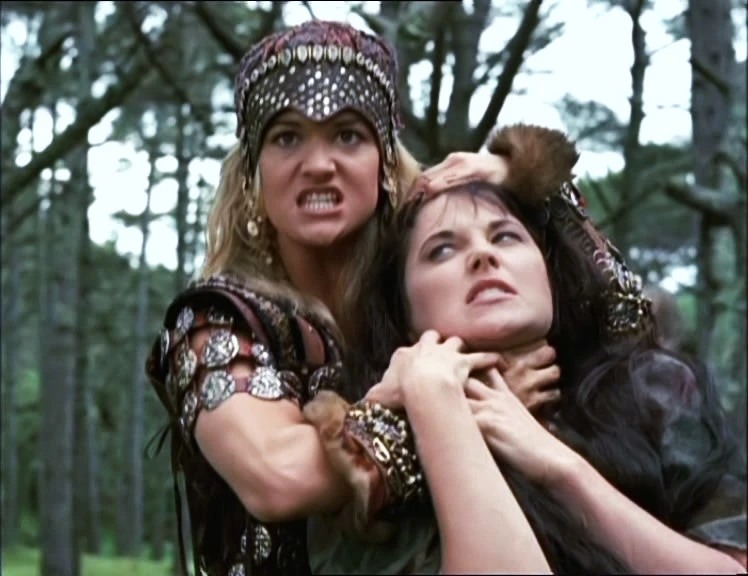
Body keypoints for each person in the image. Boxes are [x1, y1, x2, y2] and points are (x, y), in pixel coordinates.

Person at [145, 20, 555, 576]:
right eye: (287, 137)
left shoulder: (427, 283)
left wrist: (516, 173)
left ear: (384, 163)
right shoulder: (214, 321)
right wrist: (458, 414)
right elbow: (278, 478)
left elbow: (614, 306)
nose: (319, 164)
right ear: (252, 176)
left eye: (347, 136)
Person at [304, 124, 748, 573]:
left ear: (548, 272)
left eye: (505, 236)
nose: (483, 255)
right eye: (441, 250)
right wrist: (438, 406)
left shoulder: (651, 389)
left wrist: (556, 465)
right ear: (402, 310)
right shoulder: (376, 460)